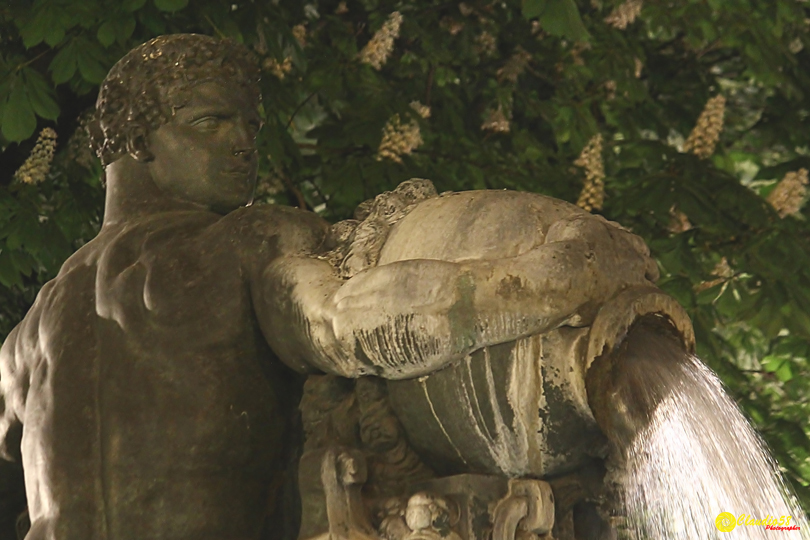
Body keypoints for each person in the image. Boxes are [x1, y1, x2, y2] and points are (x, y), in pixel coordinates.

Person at [0, 34, 656, 540]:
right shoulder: (243, 243)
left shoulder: (24, 338)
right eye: (211, 121)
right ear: (136, 139)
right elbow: (353, 328)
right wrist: (560, 274)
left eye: (251, 125)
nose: (243, 143)